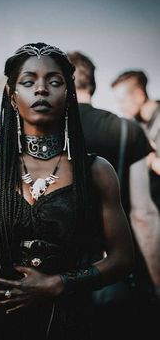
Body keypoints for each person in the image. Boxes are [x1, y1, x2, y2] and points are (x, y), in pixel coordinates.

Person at [0, 42, 134, 340]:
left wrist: (59, 283)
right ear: (11, 94)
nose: (41, 89)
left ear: (68, 94)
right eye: (29, 82)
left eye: (54, 82)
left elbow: (122, 259)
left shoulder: (96, 171)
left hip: (71, 319)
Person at [67, 51, 158, 337]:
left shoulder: (46, 133)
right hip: (119, 265)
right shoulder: (126, 130)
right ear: (91, 83)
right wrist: (156, 281)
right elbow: (143, 214)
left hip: (60, 275)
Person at [111, 70, 160, 295]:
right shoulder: (135, 126)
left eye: (123, 100)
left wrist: (149, 160)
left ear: (139, 94)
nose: (120, 107)